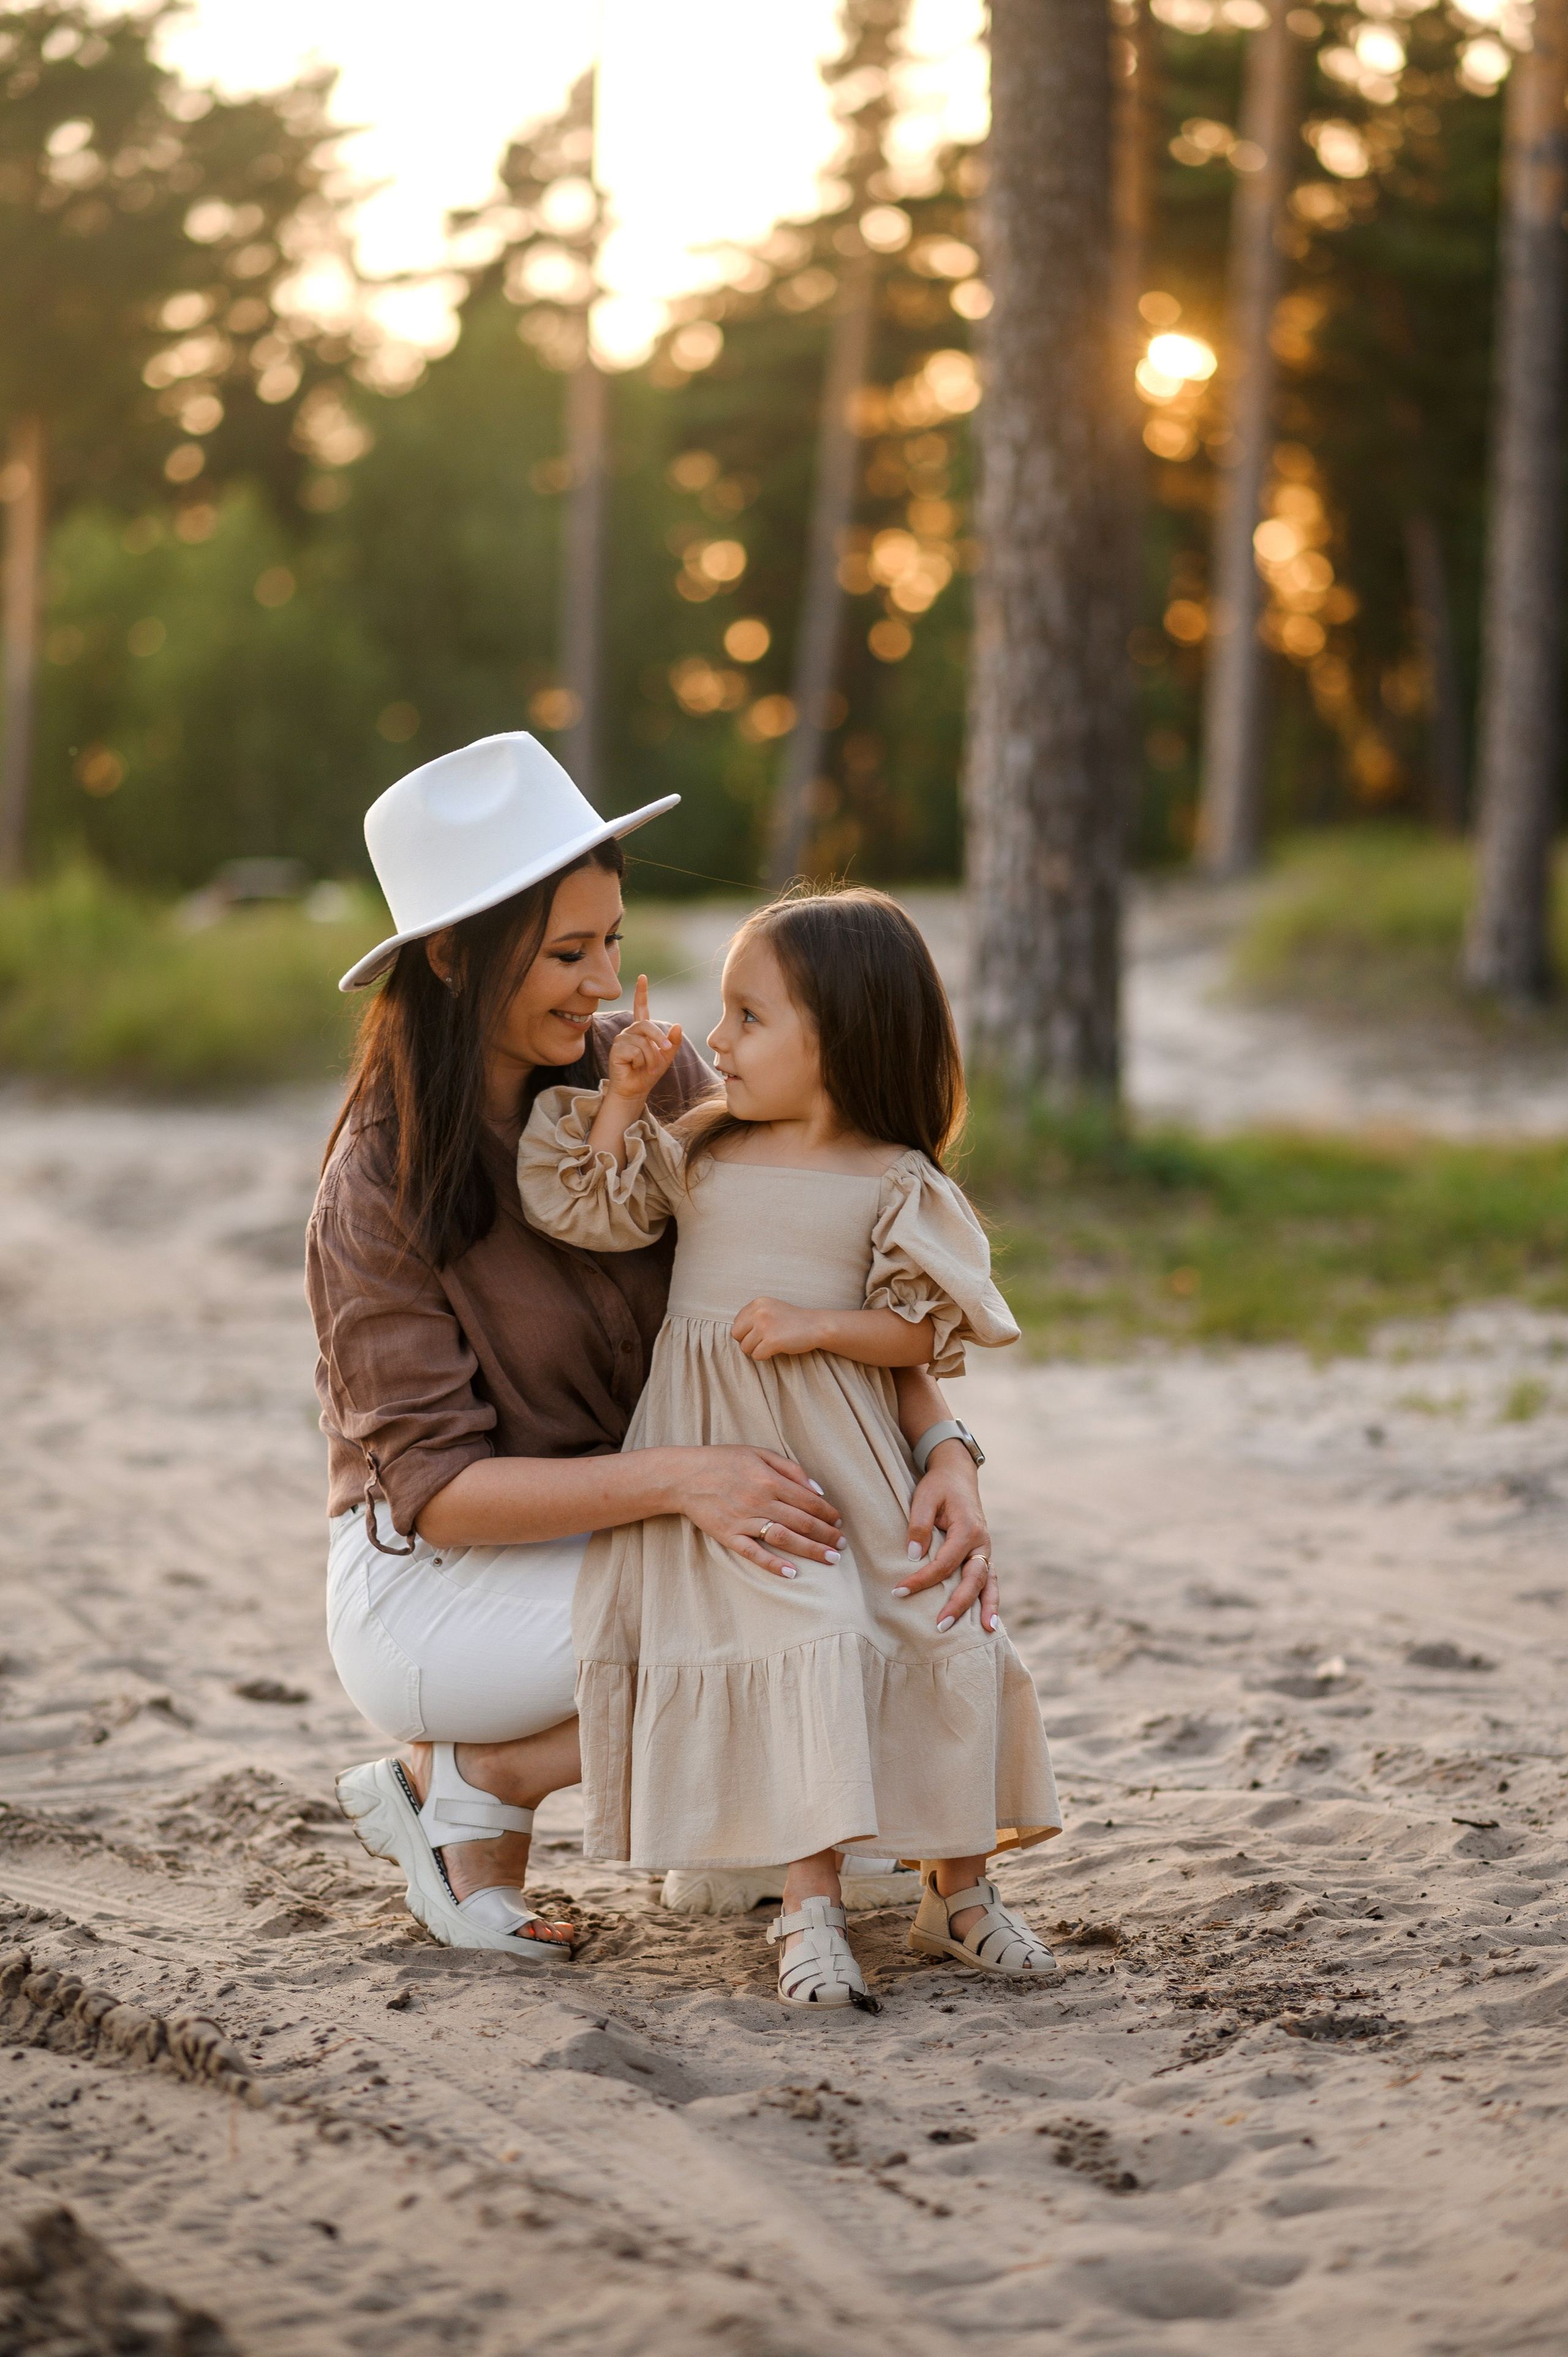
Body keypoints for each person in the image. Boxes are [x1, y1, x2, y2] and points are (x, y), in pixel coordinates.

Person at [308, 734, 1000, 1961]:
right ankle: (486, 1779)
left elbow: (816, 1248)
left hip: (624, 1519)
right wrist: (692, 1480)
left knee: (880, 1546)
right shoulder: (378, 1182)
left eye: (612, 940)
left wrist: (942, 1446)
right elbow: (440, 1492)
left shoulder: (658, 1075)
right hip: (435, 1583)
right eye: (566, 953)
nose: (602, 983)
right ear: (456, 956)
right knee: (750, 1572)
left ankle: (742, 1822)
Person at [519, 886, 1061, 2007]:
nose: (715, 1044)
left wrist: (821, 1328)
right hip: (730, 1460)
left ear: (846, 1036)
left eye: (749, 1019)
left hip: (852, 1460)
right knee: (805, 1633)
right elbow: (589, 1207)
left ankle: (958, 1897)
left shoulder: (895, 1178)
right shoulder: (708, 1151)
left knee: (942, 1624)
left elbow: (923, 1329)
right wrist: (621, 1100)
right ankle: (809, 1909)